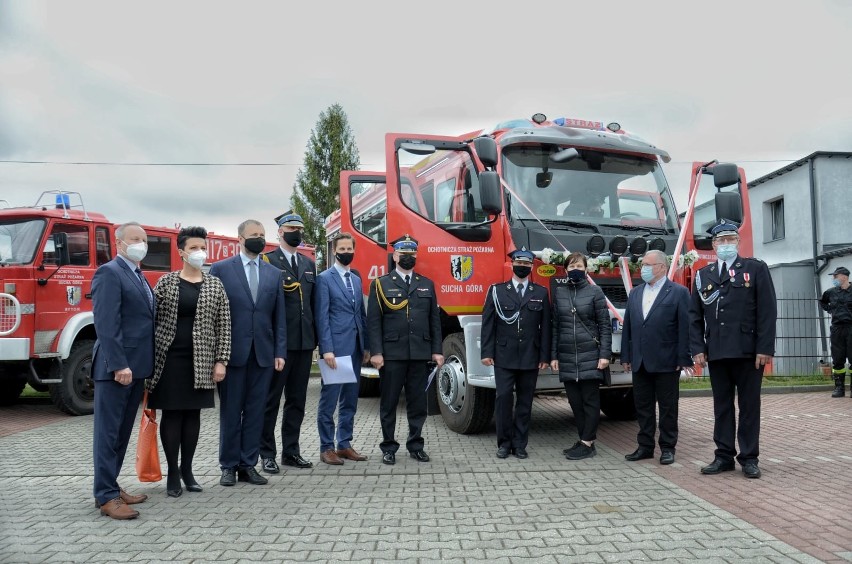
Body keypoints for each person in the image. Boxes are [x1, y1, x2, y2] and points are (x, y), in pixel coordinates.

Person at [148, 226, 231, 497]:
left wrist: (221, 361)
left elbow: (224, 326)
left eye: (203, 247)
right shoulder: (166, 282)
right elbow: (153, 321)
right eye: (194, 248)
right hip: (169, 359)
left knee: (192, 416)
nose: (200, 252)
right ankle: (172, 471)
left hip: (202, 360)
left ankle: (188, 470)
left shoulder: (214, 284)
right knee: (172, 415)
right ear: (181, 251)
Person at [690, 219, 777, 479]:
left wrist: (765, 348)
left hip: (748, 352)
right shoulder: (703, 274)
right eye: (720, 241)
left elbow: (767, 312)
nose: (725, 245)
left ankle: (749, 457)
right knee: (722, 407)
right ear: (713, 245)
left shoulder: (755, 268)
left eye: (730, 240)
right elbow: (694, 315)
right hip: (716, 351)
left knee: (749, 406)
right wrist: (697, 348)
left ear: (738, 242)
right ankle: (724, 456)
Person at [209, 219, 287, 487]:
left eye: (262, 234)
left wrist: (280, 351)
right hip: (232, 354)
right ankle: (228, 465)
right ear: (239, 239)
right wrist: (216, 357)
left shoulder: (273, 274)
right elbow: (212, 316)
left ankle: (248, 464)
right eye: (254, 234)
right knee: (231, 411)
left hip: (263, 355)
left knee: (256, 411)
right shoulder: (220, 270)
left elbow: (279, 318)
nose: (259, 238)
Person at [91, 222, 155, 520]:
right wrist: (118, 364)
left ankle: (111, 488)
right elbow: (106, 323)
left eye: (143, 239)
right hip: (118, 369)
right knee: (108, 434)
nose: (140, 243)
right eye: (134, 239)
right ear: (119, 243)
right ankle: (105, 496)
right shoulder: (110, 273)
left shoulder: (137, 275)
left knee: (120, 434)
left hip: (136, 367)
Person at [368, 235, 444, 465]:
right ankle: (389, 447)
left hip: (419, 354)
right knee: (389, 403)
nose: (408, 258)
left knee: (418, 403)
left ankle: (415, 444)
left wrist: (437, 350)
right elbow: (373, 321)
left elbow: (434, 321)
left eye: (412, 255)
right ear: (395, 256)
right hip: (392, 354)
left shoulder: (426, 284)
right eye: (404, 254)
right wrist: (376, 352)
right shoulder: (381, 284)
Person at [620, 250, 692, 465]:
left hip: (667, 360)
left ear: (661, 266)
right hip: (640, 360)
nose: (643, 269)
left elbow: (684, 328)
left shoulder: (678, 293)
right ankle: (645, 446)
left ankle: (668, 448)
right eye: (642, 264)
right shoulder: (635, 293)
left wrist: (684, 358)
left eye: (648, 264)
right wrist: (626, 355)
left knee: (668, 407)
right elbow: (629, 329)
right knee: (643, 406)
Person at [259, 212, 317, 472]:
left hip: (304, 343)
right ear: (280, 232)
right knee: (271, 400)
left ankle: (291, 451)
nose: (297, 232)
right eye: (292, 228)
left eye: (300, 228)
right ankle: (266, 453)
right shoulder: (267, 261)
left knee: (297, 401)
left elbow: (313, 304)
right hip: (279, 346)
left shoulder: (308, 264)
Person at [480, 248, 551, 459]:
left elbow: (546, 327)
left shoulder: (540, 293)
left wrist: (544, 356)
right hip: (503, 355)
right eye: (520, 263)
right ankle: (504, 443)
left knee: (525, 401)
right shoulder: (497, 290)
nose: (523, 267)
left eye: (527, 264)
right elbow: (488, 324)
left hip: (530, 355)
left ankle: (520, 444)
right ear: (512, 265)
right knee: (503, 399)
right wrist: (486, 352)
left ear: (531, 267)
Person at [315, 232, 370, 465]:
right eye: (342, 249)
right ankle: (326, 447)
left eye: (350, 249)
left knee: (350, 400)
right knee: (329, 401)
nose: (346, 253)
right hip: (335, 350)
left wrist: (366, 346)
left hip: (356, 349)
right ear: (334, 251)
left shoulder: (356, 279)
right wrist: (326, 348)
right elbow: (322, 316)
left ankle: (344, 444)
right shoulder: (325, 279)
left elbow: (361, 315)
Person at [550, 252, 611, 460]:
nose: (575, 269)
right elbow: (555, 326)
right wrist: (554, 355)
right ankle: (584, 439)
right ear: (565, 270)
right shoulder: (559, 292)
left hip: (590, 355)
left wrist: (605, 354)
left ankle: (587, 442)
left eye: (579, 265)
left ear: (586, 269)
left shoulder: (595, 292)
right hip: (567, 356)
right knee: (575, 402)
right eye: (571, 266)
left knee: (590, 401)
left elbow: (604, 326)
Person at [820, 266, 852, 398]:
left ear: (844, 276)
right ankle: (839, 387)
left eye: (835, 276)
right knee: (837, 358)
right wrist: (831, 310)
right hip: (837, 328)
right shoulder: (831, 292)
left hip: (851, 327)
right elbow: (823, 302)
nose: (833, 279)